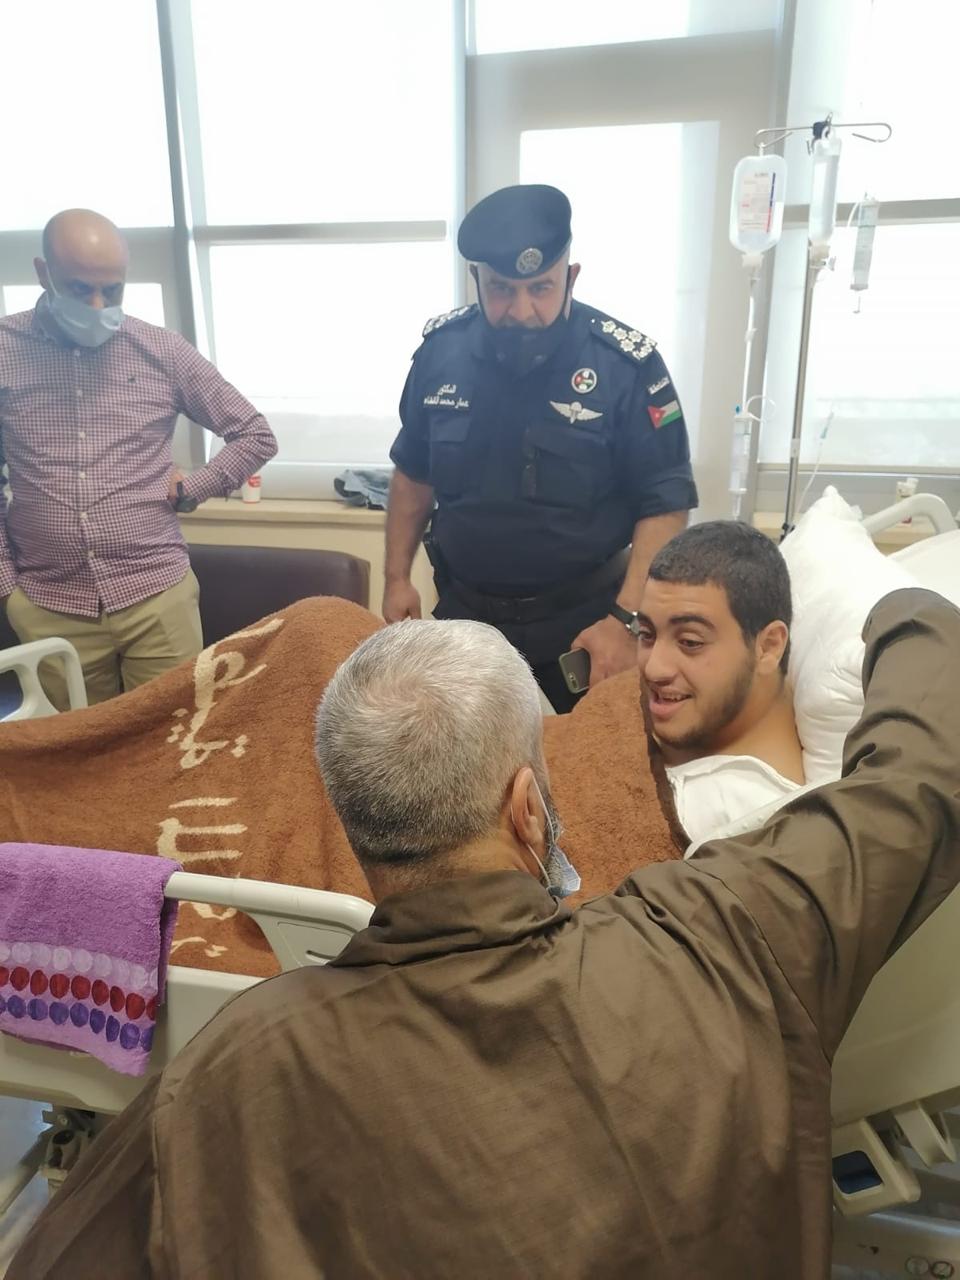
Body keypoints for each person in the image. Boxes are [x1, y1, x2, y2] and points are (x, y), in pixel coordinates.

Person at [11, 586, 960, 1279]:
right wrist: (899, 607)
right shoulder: (723, 937)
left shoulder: (232, 1070)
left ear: (347, 813)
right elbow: (923, 777)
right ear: (528, 809)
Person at [384, 183, 697, 711]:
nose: (522, 309)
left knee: (582, 761)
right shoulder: (440, 355)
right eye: (502, 289)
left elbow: (666, 504)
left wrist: (626, 622)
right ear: (476, 279)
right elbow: (413, 474)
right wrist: (397, 578)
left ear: (571, 277)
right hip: (463, 621)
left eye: (541, 288)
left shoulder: (625, 367)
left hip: (585, 632)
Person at [0, 208, 277, 708]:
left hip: (156, 596)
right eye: (80, 289)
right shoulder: (5, 350)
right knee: (79, 746)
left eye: (113, 290)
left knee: (172, 736)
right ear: (43, 273)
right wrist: (7, 588)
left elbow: (254, 434)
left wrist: (193, 487)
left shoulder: (160, 350)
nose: (98, 305)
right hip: (48, 603)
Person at [634, 520, 805, 845]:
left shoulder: (739, 816)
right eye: (646, 634)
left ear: (769, 647)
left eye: (690, 642)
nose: (654, 669)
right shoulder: (710, 715)